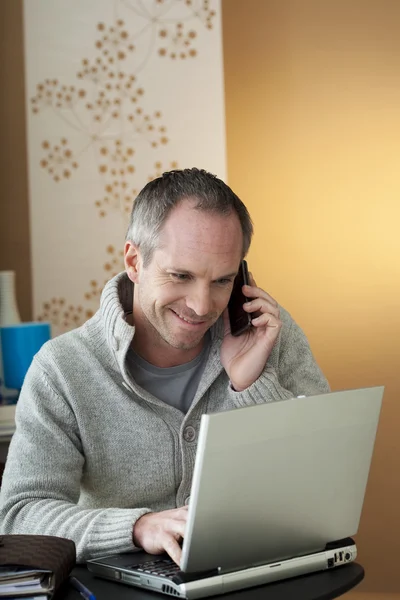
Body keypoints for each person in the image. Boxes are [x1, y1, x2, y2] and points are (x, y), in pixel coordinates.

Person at [0, 168, 329, 564]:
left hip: (258, 573)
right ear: (134, 261)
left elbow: (324, 478)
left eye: (222, 281)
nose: (202, 305)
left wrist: (252, 385)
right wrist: (137, 527)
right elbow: (20, 517)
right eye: (181, 275)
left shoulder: (267, 333)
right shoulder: (62, 370)